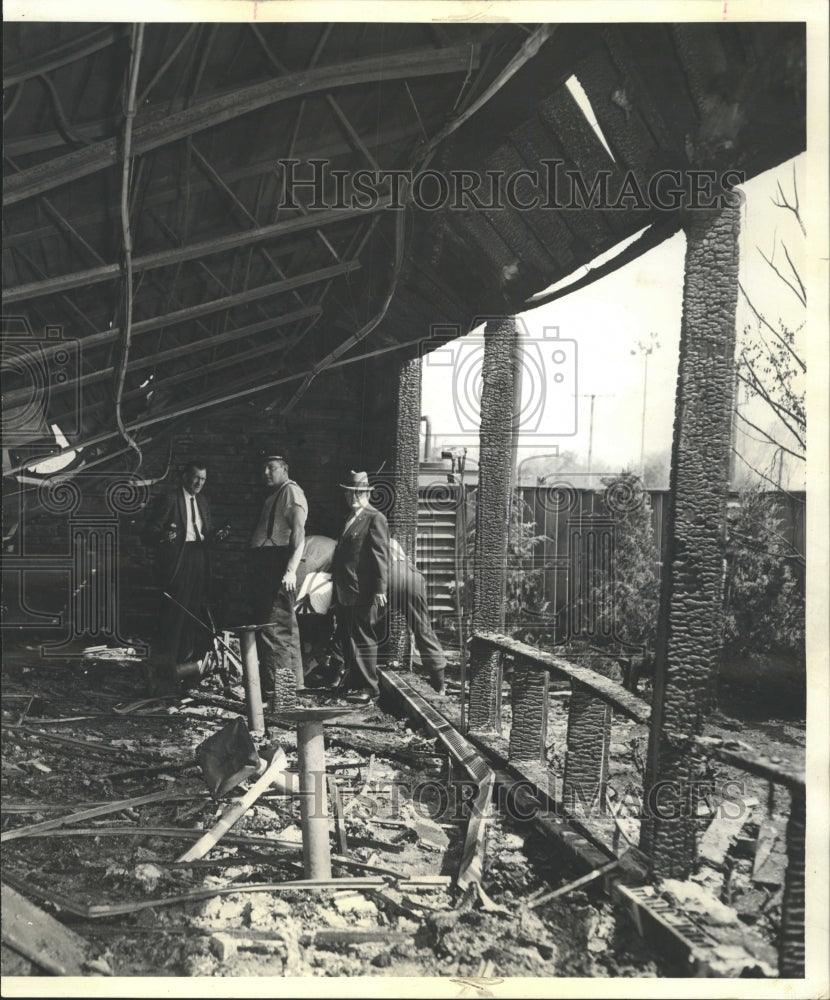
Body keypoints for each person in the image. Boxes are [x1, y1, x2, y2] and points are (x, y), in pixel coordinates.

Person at [296, 534, 446, 694]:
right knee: (423, 630)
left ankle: (359, 685)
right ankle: (440, 684)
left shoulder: (343, 550)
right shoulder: (381, 539)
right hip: (412, 577)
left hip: (383, 579)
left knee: (358, 631)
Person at [142, 461, 227, 681]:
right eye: (196, 477)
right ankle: (164, 669)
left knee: (193, 613)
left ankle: (185, 668)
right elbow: (148, 533)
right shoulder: (170, 499)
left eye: (203, 479)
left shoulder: (203, 502)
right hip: (178, 561)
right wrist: (162, 537)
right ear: (185, 477)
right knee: (173, 615)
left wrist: (216, 536)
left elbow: (206, 533)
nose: (199, 483)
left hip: (199, 559)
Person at [248, 454, 307, 711]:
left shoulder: (290, 492)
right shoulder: (276, 494)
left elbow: (299, 531)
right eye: (263, 467)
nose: (266, 472)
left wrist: (290, 570)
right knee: (280, 629)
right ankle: (289, 693)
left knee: (275, 631)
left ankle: (280, 697)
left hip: (277, 564)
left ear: (284, 468)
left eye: (271, 468)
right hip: (266, 564)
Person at [330, 470, 388, 704]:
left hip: (362, 589)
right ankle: (354, 683)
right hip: (345, 589)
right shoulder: (351, 517)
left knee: (363, 637)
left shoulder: (375, 518)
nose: (353, 497)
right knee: (347, 636)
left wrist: (380, 588)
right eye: (349, 493)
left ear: (366, 493)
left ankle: (369, 687)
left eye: (358, 493)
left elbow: (380, 556)